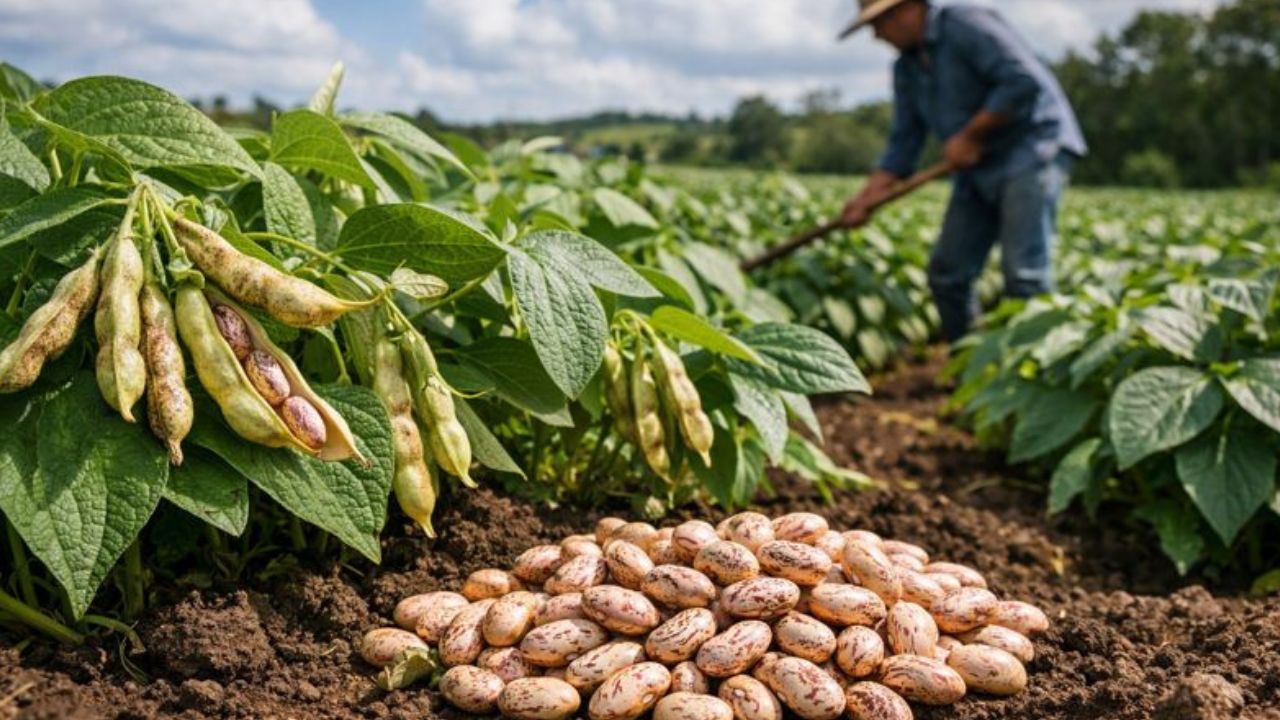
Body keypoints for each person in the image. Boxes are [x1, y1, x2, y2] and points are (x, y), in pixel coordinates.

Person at [837, 0, 1087, 342]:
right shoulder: (906, 69)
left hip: (1031, 148)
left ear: (907, 10)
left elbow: (1023, 81)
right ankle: (972, 371)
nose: (877, 36)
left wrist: (971, 135)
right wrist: (866, 198)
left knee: (1024, 275)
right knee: (948, 273)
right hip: (975, 165)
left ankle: (1035, 380)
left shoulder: (965, 24)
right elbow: (903, 143)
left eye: (879, 24)